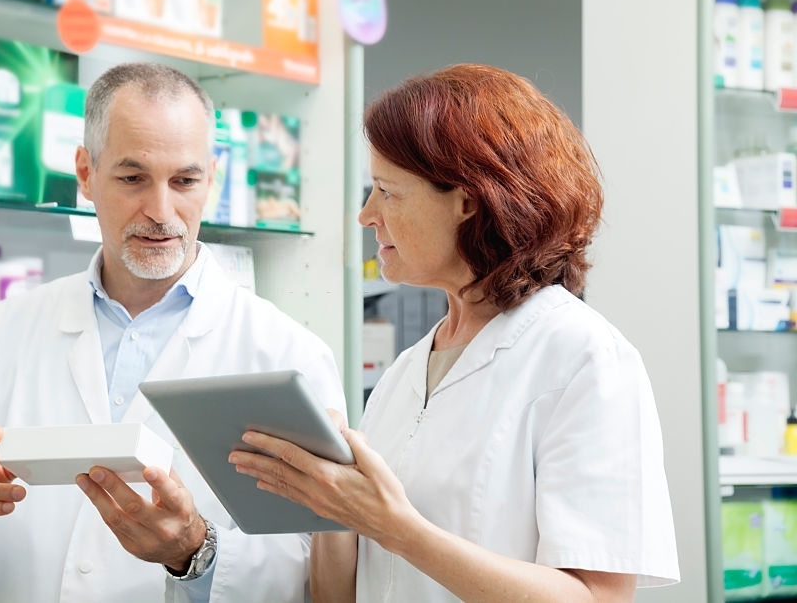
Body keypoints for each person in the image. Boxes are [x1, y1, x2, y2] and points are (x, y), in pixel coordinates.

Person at [0, 62, 346, 602]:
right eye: (132, 178)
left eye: (185, 181)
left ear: (212, 180)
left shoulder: (289, 354)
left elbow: (321, 569)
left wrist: (195, 551)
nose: (160, 210)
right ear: (85, 173)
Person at [230, 63, 680, 602]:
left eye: (387, 192)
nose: (366, 215)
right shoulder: (405, 372)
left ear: (468, 201)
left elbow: (599, 598)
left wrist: (397, 528)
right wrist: (335, 507)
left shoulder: (584, 358)